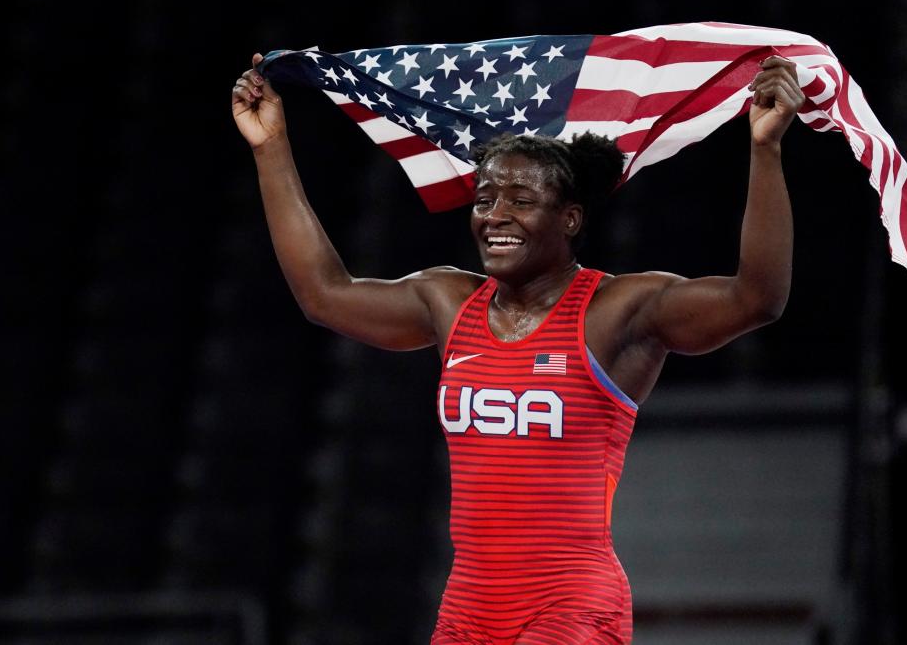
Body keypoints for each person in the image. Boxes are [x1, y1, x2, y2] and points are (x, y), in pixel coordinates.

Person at [232, 51, 804, 644]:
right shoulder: (448, 302)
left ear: (571, 219)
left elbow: (756, 299)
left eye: (521, 201)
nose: (495, 215)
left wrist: (766, 151)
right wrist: (269, 148)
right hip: (466, 611)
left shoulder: (616, 311)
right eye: (484, 200)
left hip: (573, 608)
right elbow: (324, 295)